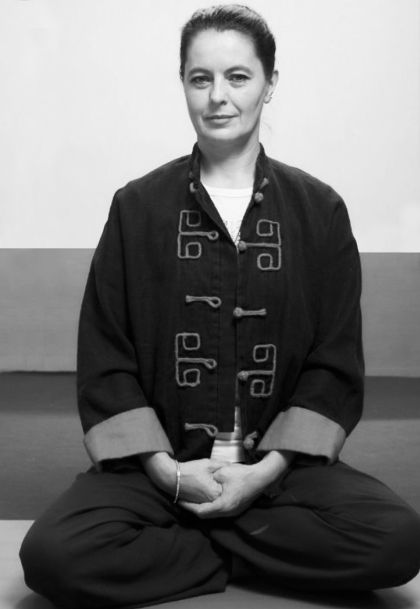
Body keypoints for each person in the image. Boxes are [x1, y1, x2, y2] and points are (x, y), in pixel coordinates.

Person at [20, 5, 420, 608]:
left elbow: (334, 362)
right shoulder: (137, 208)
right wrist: (168, 472)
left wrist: (262, 473)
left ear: (269, 83)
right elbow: (106, 356)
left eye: (237, 77)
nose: (217, 97)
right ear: (183, 84)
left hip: (280, 475)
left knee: (398, 541)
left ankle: (203, 542)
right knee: (52, 556)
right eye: (200, 78)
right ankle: (247, 547)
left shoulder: (320, 211)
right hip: (159, 472)